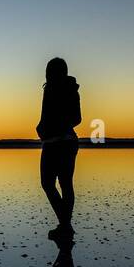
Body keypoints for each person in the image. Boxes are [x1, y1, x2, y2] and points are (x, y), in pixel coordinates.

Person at [35, 57, 81, 243]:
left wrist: (54, 125)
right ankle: (65, 225)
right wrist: (41, 127)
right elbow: (46, 116)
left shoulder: (68, 89)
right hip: (56, 142)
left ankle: (65, 226)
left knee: (57, 184)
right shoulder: (51, 89)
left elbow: (76, 118)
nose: (48, 73)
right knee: (55, 184)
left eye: (50, 70)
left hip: (61, 143)